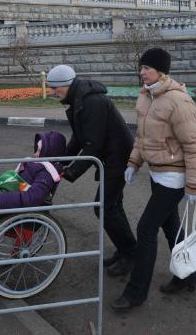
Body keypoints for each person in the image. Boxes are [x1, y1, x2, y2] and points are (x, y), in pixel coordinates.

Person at [111, 47, 196, 311]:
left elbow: (195, 145)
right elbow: (143, 138)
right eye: (141, 68)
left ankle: (135, 293)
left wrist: (194, 185)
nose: (141, 72)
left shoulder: (178, 101)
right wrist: (134, 161)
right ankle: (187, 276)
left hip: (174, 178)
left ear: (161, 72)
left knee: (146, 229)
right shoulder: (146, 97)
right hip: (157, 173)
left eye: (147, 68)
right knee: (171, 226)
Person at [46, 64, 137, 276]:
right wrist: (60, 161)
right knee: (112, 206)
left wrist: (70, 172)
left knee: (105, 207)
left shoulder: (92, 102)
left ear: (66, 85)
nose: (52, 92)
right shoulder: (80, 99)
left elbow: (93, 144)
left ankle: (132, 254)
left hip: (118, 157)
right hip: (111, 156)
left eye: (54, 88)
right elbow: (79, 137)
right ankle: (125, 250)